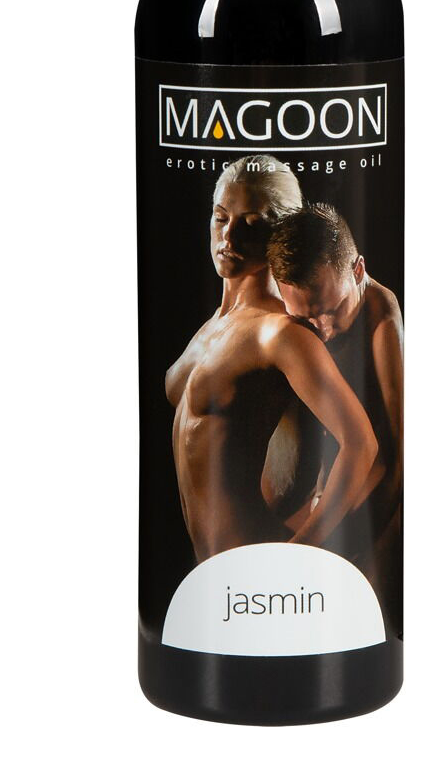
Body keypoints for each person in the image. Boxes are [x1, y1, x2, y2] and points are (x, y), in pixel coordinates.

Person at [165, 157, 379, 563]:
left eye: (250, 223)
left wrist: (297, 554)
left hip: (255, 555)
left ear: (278, 231)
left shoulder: (279, 332)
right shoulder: (213, 327)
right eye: (220, 218)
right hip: (210, 570)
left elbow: (361, 444)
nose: (228, 235)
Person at [266, 203, 403, 589]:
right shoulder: (286, 303)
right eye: (306, 318)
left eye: (332, 310)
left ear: (358, 271)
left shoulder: (381, 319)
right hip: (303, 509)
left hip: (358, 512)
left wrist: (326, 545)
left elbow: (398, 457)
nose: (323, 329)